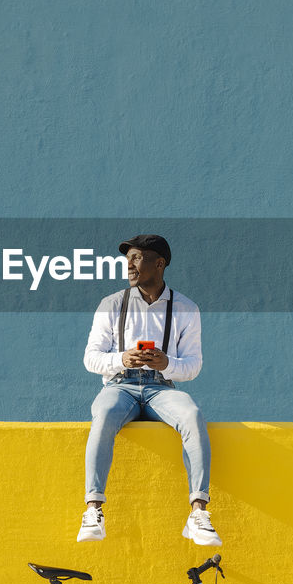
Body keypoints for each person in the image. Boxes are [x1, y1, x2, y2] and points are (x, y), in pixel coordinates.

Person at [77, 234, 221, 547]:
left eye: (137, 258)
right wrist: (121, 358)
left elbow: (193, 366)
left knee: (193, 415)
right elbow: (91, 358)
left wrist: (166, 363)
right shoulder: (111, 304)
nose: (129, 264)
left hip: (161, 388)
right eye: (127, 258)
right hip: (120, 385)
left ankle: (198, 513)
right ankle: (93, 509)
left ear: (159, 263)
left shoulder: (185, 308)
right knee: (102, 414)